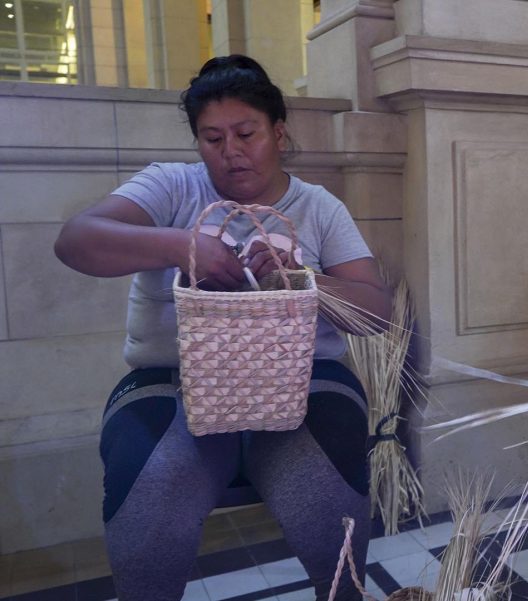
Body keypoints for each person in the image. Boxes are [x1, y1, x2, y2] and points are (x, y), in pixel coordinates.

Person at [53, 55, 390, 600]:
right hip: (171, 379)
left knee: (323, 493)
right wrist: (179, 243)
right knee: (155, 486)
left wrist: (304, 281)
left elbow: (376, 314)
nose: (230, 152)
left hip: (305, 380)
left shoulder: (318, 207)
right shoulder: (171, 187)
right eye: (212, 139)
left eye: (246, 133)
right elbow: (75, 241)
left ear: (278, 133)